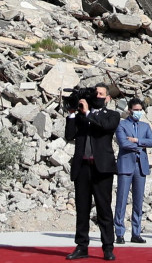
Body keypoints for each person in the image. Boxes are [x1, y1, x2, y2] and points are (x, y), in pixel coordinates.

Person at [64, 84, 120, 261]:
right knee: (82, 209)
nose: (97, 96)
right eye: (96, 93)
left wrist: (88, 113)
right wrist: (73, 112)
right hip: (82, 168)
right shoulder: (81, 115)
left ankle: (108, 247)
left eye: (101, 94)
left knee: (104, 209)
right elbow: (69, 135)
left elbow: (105, 127)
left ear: (108, 98)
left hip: (102, 168)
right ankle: (81, 246)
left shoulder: (112, 115)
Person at [113, 98, 152, 245]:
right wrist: (141, 144)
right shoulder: (122, 124)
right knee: (122, 199)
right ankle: (119, 232)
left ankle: (136, 233)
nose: (138, 112)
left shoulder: (145, 126)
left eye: (140, 110)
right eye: (135, 110)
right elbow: (123, 142)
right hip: (126, 165)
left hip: (140, 166)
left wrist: (136, 140)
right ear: (130, 110)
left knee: (138, 201)